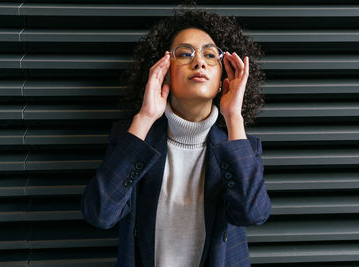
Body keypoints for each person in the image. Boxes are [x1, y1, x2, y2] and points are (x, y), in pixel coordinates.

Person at [81, 6, 271, 267]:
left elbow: (252, 213)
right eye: (185, 54)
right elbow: (99, 214)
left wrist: (233, 117)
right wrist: (145, 117)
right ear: (165, 71)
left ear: (221, 79)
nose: (199, 62)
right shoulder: (135, 139)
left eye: (210, 55)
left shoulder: (240, 146)